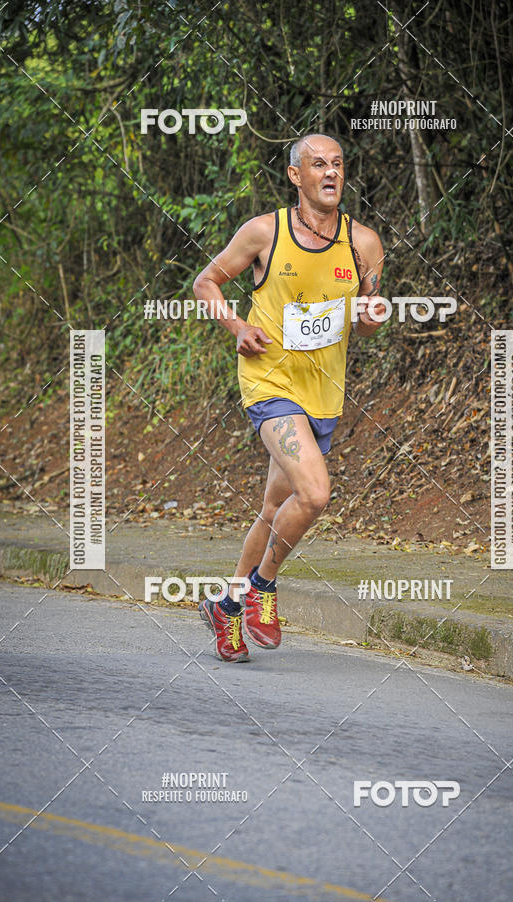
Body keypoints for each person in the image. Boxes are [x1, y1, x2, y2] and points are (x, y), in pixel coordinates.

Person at [193, 133, 386, 662]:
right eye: (318, 164)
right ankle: (262, 588)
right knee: (316, 494)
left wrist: (370, 319)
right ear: (295, 175)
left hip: (325, 393)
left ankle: (227, 606)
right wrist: (235, 325)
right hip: (269, 385)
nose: (330, 173)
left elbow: (365, 322)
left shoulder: (364, 244)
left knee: (276, 506)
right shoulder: (265, 232)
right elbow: (206, 282)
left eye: (339, 165)